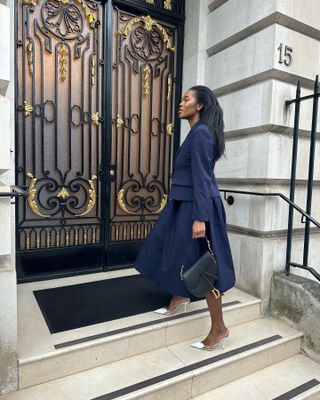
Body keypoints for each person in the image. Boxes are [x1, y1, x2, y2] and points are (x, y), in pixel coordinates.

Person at [135, 85, 235, 350]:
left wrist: (200, 217)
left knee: (205, 265)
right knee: (174, 250)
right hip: (184, 205)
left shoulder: (201, 134)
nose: (181, 103)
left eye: (186, 99)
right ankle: (178, 298)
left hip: (197, 208)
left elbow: (203, 177)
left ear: (199, 106)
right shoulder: (196, 133)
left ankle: (219, 328)